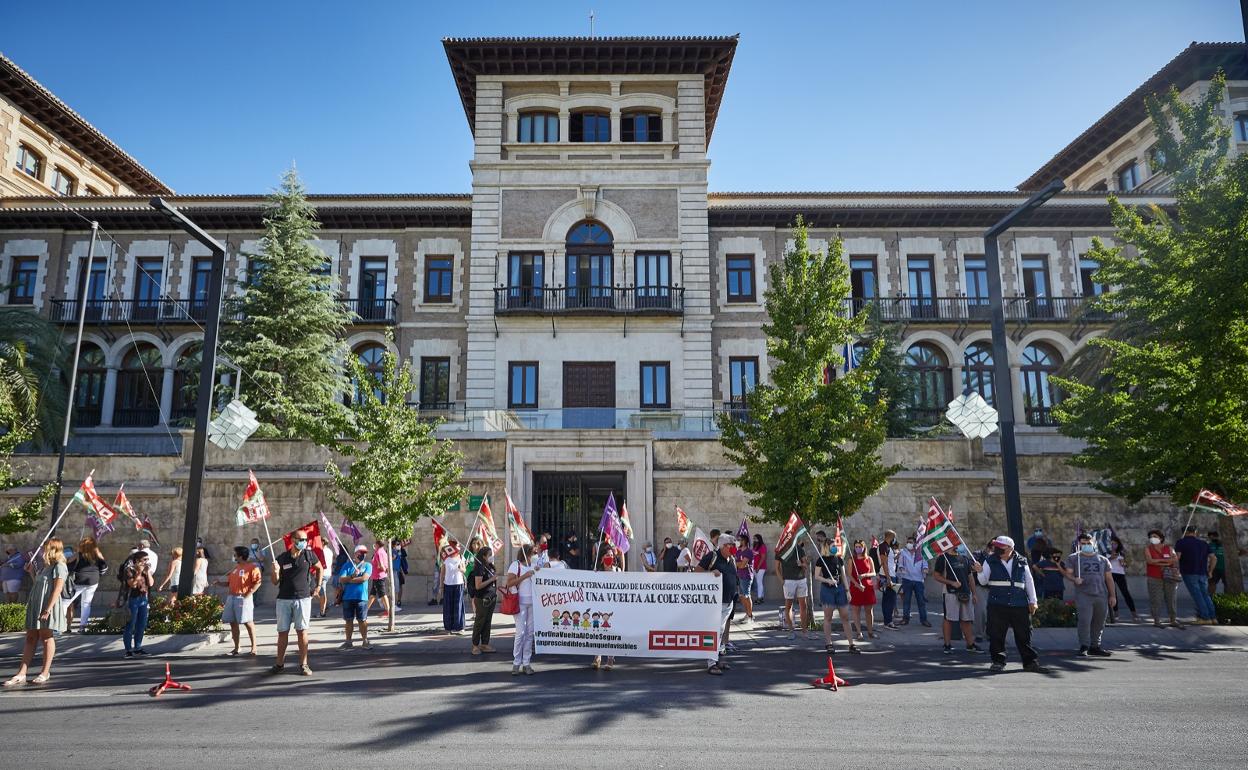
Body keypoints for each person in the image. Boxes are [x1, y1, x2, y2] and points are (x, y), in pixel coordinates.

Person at [977, 535, 1047, 673]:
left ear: (1010, 548)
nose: (996, 549)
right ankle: (998, 661)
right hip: (997, 603)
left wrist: (1033, 601)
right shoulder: (990, 560)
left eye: (1000, 547)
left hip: (1019, 603)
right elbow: (984, 581)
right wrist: (979, 572)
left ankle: (1030, 663)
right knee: (996, 634)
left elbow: (1029, 581)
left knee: (1024, 634)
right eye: (995, 546)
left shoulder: (1022, 561)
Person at [4, 539, 67, 686]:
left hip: (47, 605)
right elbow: (38, 584)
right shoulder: (46, 567)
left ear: (52, 549)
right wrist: (31, 572)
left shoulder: (60, 566)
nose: (42, 552)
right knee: (30, 637)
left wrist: (48, 608)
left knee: (46, 637)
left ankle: (45, 672)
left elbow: (57, 589)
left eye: (45, 549)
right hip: (36, 604)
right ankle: (21, 673)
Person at [270, 531, 322, 675]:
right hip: (284, 599)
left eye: (306, 539)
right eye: (301, 539)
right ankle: (279, 664)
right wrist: (275, 571)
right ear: (293, 540)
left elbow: (320, 568)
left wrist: (317, 587)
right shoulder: (282, 558)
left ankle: (304, 665)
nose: (304, 542)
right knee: (282, 632)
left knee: (302, 632)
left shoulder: (309, 555)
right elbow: (274, 581)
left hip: (303, 599)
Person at [1062, 533, 1117, 656]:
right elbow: (1068, 573)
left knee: (1099, 622)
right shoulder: (1073, 558)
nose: (1086, 545)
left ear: (1094, 543)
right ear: (1079, 544)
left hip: (1101, 594)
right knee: (1084, 621)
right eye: (1083, 543)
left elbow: (1109, 578)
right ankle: (1084, 645)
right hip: (1084, 594)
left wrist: (1112, 595)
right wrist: (1075, 579)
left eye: (1089, 543)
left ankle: (1095, 646)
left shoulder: (1103, 560)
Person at [697, 534, 740, 675]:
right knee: (713, 632)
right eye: (731, 546)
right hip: (715, 604)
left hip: (728, 602)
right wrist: (710, 572)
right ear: (722, 546)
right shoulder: (712, 556)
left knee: (720, 633)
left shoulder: (732, 559)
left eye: (734, 546)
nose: (734, 549)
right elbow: (697, 571)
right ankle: (710, 663)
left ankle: (717, 660)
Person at [813, 538, 858, 654]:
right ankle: (829, 643)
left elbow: (843, 575)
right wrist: (827, 580)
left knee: (845, 617)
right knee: (828, 617)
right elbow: (816, 576)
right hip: (827, 590)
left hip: (841, 589)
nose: (835, 548)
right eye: (833, 545)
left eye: (836, 545)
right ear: (827, 547)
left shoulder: (839, 559)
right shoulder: (821, 560)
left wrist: (847, 591)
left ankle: (851, 644)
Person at [504, 543, 543, 675]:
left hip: (533, 603)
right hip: (519, 602)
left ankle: (526, 663)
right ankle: (516, 662)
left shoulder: (534, 565)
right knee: (520, 633)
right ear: (527, 554)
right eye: (533, 553)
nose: (535, 555)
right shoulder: (515, 565)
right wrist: (525, 576)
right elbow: (509, 583)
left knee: (529, 633)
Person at [214, 546, 261, 655]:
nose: (233, 556)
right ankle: (237, 647)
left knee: (248, 622)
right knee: (232, 622)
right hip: (231, 597)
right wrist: (219, 583)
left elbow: (258, 582)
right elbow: (229, 583)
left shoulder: (252, 567)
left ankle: (254, 647)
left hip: (243, 597)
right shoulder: (235, 568)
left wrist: (248, 594)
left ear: (240, 556)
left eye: (235, 554)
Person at [933, 551, 982, 654]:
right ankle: (947, 645)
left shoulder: (964, 558)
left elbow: (970, 577)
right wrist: (951, 583)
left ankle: (970, 644)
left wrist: (974, 593)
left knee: (967, 619)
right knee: (949, 619)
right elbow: (936, 575)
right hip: (950, 592)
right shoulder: (943, 558)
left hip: (965, 592)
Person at [62, 537, 107, 633]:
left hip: (79, 580)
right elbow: (104, 568)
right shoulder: (97, 555)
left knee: (65, 602)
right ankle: (82, 627)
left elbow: (68, 567)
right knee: (86, 604)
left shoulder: (78, 554)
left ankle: (58, 626)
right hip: (93, 581)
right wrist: (97, 575)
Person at [1174, 526, 1216, 624]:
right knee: (1205, 595)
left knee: (1197, 596)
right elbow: (1214, 558)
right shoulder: (1204, 543)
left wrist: (1175, 570)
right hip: (1203, 573)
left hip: (1189, 572)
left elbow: (1177, 558)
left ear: (1184, 532)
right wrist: (1210, 571)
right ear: (1195, 532)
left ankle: (1205, 618)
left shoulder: (1181, 542)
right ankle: (1213, 618)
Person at [1144, 529, 1182, 628]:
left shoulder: (1168, 548)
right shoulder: (1148, 549)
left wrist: (1158, 561)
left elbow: (1174, 559)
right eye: (1151, 537)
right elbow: (1150, 561)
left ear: (1161, 538)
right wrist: (1165, 561)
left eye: (1155, 536)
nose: (1153, 538)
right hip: (1154, 577)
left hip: (1169, 576)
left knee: (1171, 598)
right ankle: (1157, 620)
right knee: (1155, 598)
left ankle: (1173, 620)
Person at [338, 544, 373, 650]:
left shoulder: (367, 565)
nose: (363, 555)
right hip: (348, 597)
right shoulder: (347, 565)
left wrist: (350, 580)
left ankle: (365, 640)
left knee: (362, 620)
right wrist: (352, 576)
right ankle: (348, 641)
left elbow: (364, 578)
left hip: (361, 597)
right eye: (361, 552)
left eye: (364, 553)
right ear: (355, 553)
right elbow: (341, 579)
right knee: (348, 620)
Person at [121, 551, 154, 658]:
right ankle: (128, 650)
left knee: (141, 624)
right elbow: (133, 585)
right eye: (144, 560)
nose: (146, 562)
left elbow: (151, 583)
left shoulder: (145, 570)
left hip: (143, 599)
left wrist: (147, 572)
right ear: (137, 561)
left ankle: (138, 647)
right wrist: (139, 573)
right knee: (130, 624)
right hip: (132, 599)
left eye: (147, 559)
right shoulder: (129, 570)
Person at [776, 539, 810, 640]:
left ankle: (804, 630)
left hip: (801, 580)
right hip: (788, 581)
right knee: (788, 606)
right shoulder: (780, 551)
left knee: (803, 605)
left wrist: (802, 564)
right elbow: (777, 567)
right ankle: (791, 630)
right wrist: (782, 580)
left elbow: (806, 565)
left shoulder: (799, 549)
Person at [468, 545, 498, 655]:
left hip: (491, 598)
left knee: (487, 622)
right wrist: (492, 579)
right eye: (490, 555)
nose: (492, 557)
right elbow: (478, 585)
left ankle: (485, 644)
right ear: (484, 556)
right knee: (479, 622)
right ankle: (475, 645)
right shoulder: (479, 568)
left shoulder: (490, 567)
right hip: (482, 599)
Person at [847, 540, 878, 641]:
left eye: (860, 546)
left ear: (864, 547)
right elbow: (849, 574)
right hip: (856, 587)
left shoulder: (869, 559)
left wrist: (864, 575)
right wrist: (856, 584)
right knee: (856, 611)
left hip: (867, 587)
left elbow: (873, 573)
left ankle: (870, 631)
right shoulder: (851, 559)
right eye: (856, 547)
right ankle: (859, 632)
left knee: (869, 611)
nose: (858, 549)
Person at [897, 536, 930, 627]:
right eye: (908, 542)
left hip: (919, 580)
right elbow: (900, 564)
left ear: (915, 543)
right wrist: (902, 569)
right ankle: (905, 619)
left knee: (921, 601)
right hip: (907, 580)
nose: (909, 544)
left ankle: (924, 620)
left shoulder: (921, 553)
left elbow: (925, 564)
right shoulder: (903, 553)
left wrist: (925, 569)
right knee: (906, 600)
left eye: (911, 542)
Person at [1106, 536, 1139, 622]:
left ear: (1118, 544)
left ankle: (1134, 614)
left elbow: (1127, 564)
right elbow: (1104, 561)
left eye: (1115, 543)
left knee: (1126, 593)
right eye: (1112, 543)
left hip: (1120, 574)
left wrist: (1123, 563)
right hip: (1110, 574)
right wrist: (1111, 558)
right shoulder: (1106, 552)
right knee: (1113, 594)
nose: (1113, 545)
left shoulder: (1122, 553)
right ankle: (1115, 614)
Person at [441, 539, 466, 634]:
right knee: (448, 606)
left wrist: (461, 569)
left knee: (458, 605)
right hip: (448, 584)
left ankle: (459, 627)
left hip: (458, 584)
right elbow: (442, 573)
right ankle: (448, 627)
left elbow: (464, 570)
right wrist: (441, 586)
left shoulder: (461, 557)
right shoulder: (446, 559)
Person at [875, 530, 898, 628]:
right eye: (894, 537)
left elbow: (889, 561)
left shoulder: (888, 547)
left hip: (890, 574)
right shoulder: (883, 546)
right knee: (890, 599)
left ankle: (887, 621)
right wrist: (888, 578)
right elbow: (884, 563)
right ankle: (888, 621)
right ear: (891, 537)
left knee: (888, 599)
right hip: (887, 575)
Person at [734, 534, 755, 625]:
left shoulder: (748, 552)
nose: (738, 541)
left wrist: (740, 564)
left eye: (740, 540)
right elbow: (735, 564)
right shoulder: (738, 552)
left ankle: (750, 616)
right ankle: (747, 614)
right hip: (740, 575)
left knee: (747, 595)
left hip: (746, 576)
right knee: (742, 596)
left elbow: (742, 565)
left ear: (745, 541)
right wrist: (740, 564)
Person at [368, 539, 391, 619]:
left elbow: (381, 565)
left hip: (378, 576)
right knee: (372, 595)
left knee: (383, 594)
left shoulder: (378, 552)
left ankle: (388, 611)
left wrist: (382, 569)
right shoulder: (383, 551)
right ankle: (364, 610)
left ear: (377, 544)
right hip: (377, 576)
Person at [317, 539, 336, 618]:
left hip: (323, 574)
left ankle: (322, 611)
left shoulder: (323, 551)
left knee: (321, 592)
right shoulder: (330, 551)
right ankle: (324, 606)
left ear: (323, 542)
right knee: (317, 591)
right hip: (327, 573)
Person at [1207, 530, 1226, 596]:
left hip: (1214, 568)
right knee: (1226, 584)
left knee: (1212, 583)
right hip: (1222, 568)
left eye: (1210, 537)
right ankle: (1227, 598)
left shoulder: (1209, 545)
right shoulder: (1225, 544)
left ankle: (1211, 598)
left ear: (1211, 537)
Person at [392, 539, 409, 611]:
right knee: (395, 588)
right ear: (393, 545)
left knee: (399, 587)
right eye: (397, 544)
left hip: (399, 571)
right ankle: (394, 604)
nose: (399, 545)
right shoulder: (392, 551)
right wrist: (396, 555)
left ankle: (397, 602)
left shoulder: (400, 551)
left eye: (399, 544)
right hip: (394, 571)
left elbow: (402, 560)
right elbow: (391, 559)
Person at [751, 533, 767, 604]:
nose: (754, 540)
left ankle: (759, 598)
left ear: (759, 539)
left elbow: (763, 557)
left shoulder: (762, 546)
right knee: (758, 582)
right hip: (754, 567)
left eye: (755, 538)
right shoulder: (755, 546)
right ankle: (761, 597)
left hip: (761, 568)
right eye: (753, 538)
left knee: (759, 582)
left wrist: (758, 567)